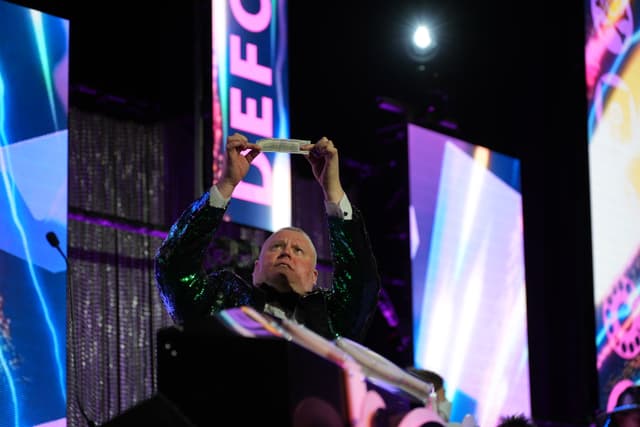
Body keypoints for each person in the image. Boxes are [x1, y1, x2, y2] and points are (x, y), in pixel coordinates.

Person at [154, 133, 381, 342]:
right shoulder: (222, 300)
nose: (286, 251)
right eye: (276, 247)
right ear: (256, 268)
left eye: (298, 250)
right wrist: (226, 185)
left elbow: (362, 284)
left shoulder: (330, 317)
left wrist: (333, 191)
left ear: (314, 277)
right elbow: (173, 267)